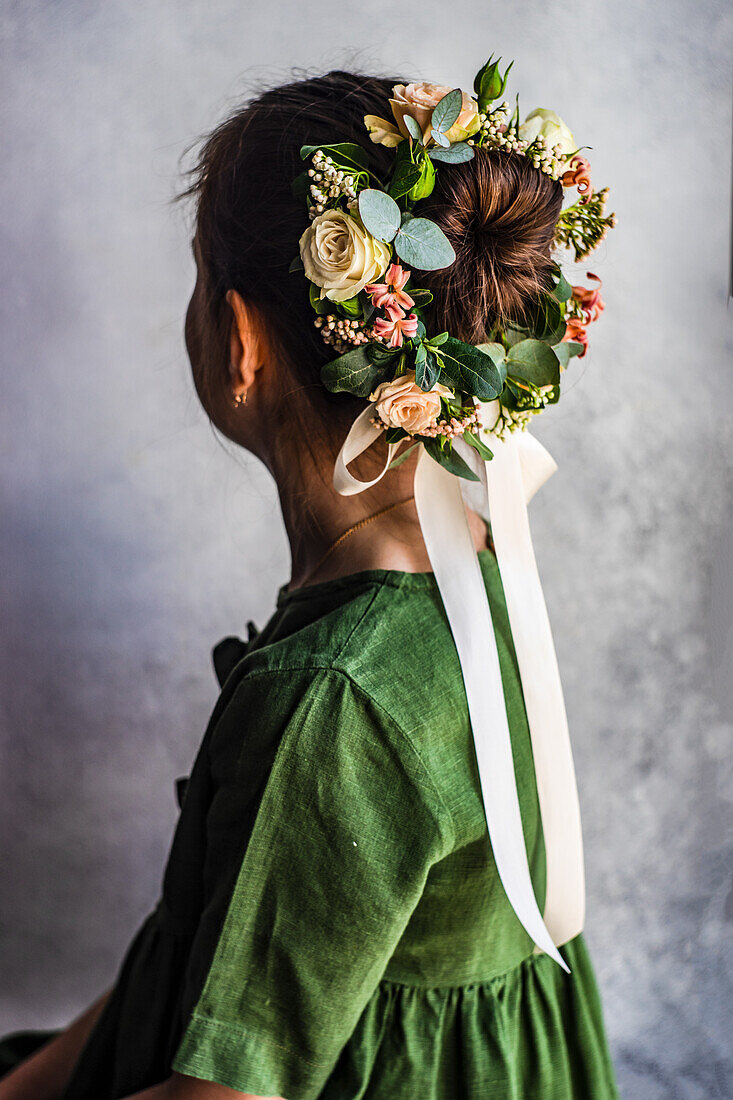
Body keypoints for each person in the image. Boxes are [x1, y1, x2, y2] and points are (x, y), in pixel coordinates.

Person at [0, 66, 620, 1099]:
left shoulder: (333, 699)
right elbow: (220, 945)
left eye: (199, 275)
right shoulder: (477, 557)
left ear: (239, 343)